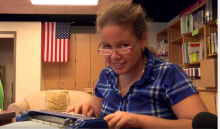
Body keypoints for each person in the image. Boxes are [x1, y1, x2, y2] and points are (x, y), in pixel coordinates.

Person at [66, 2, 208, 129]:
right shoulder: (106, 75)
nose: (114, 56)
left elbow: (199, 125)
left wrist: (141, 121)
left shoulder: (168, 74)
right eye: (107, 46)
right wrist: (86, 112)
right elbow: (96, 115)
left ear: (142, 40)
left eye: (124, 45)